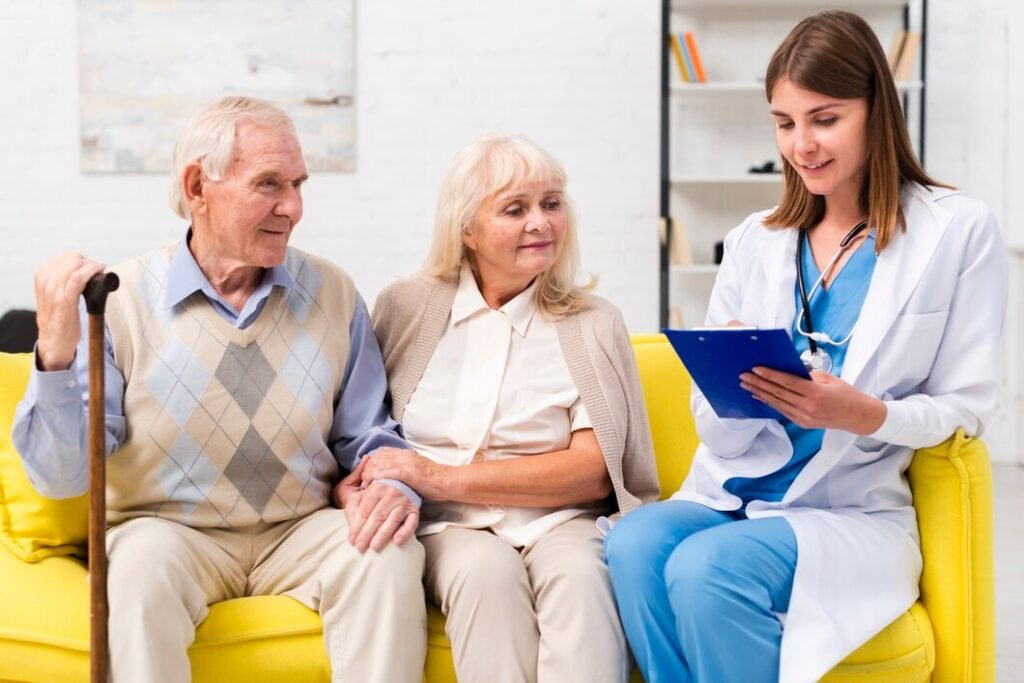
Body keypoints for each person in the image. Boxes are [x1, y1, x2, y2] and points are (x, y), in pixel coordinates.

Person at [604, 10, 1008, 683]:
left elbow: (965, 407)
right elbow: (714, 427)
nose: (802, 145)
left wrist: (863, 414)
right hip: (735, 487)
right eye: (785, 122)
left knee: (708, 569)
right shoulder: (753, 240)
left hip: (850, 508)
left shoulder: (958, 232)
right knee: (634, 543)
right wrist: (729, 386)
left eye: (825, 119)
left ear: (878, 109)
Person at [13, 96, 427, 682]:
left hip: (298, 528)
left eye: (298, 184)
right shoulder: (119, 300)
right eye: (269, 184)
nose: (294, 207)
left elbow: (368, 436)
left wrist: (390, 487)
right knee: (134, 571)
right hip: (170, 533)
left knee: (389, 554)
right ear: (197, 186)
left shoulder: (333, 291)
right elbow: (61, 478)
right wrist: (55, 354)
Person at [357, 135, 660, 682]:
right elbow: (362, 427)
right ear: (466, 230)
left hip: (559, 518)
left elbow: (593, 469)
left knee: (584, 577)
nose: (541, 222)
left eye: (552, 203)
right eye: (515, 209)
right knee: (486, 576)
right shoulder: (407, 306)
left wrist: (439, 476)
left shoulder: (593, 321)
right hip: (445, 527)